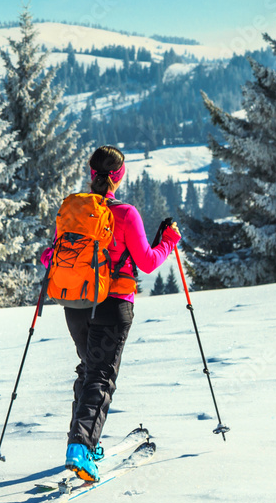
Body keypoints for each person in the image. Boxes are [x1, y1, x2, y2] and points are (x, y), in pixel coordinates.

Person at [41, 145, 181, 481]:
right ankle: (80, 448)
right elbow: (147, 262)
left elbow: (52, 257)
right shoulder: (126, 213)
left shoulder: (73, 210)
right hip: (114, 302)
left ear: (92, 174)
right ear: (118, 177)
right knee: (101, 377)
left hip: (75, 301)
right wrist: (169, 241)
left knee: (89, 369)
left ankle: (84, 439)